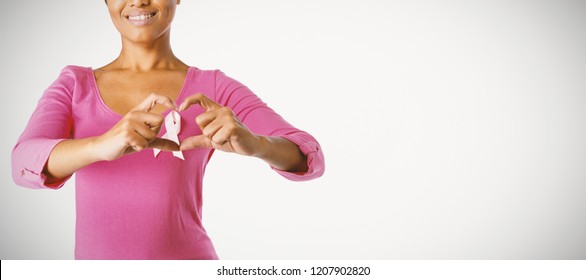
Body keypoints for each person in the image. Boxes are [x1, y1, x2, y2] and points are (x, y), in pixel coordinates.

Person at [11, 0, 324, 260]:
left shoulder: (213, 87)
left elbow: (309, 157)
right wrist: (103, 144)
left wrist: (256, 144)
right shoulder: (74, 85)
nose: (138, 1)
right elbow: (21, 162)